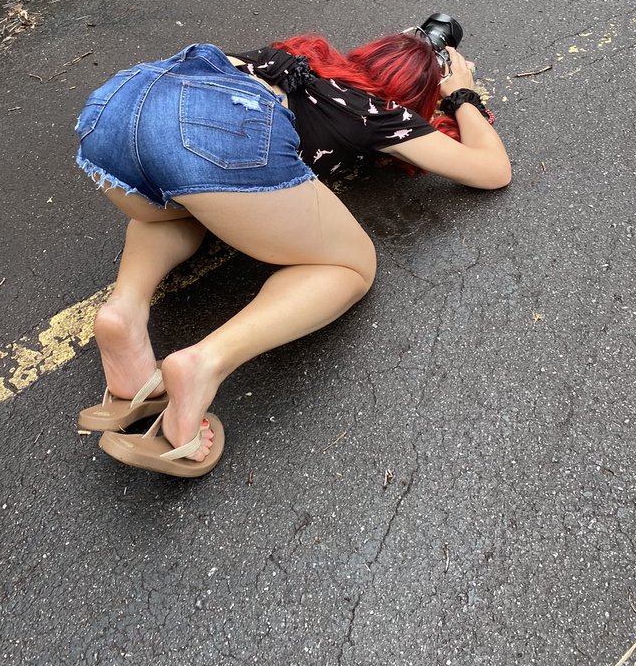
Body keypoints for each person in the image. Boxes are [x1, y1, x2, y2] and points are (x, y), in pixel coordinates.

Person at [73, 28, 511, 478]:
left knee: (176, 203)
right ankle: (203, 363)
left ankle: (125, 310)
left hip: (116, 109)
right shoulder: (373, 111)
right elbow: (493, 170)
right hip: (213, 135)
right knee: (351, 264)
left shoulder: (292, 59)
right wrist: (462, 95)